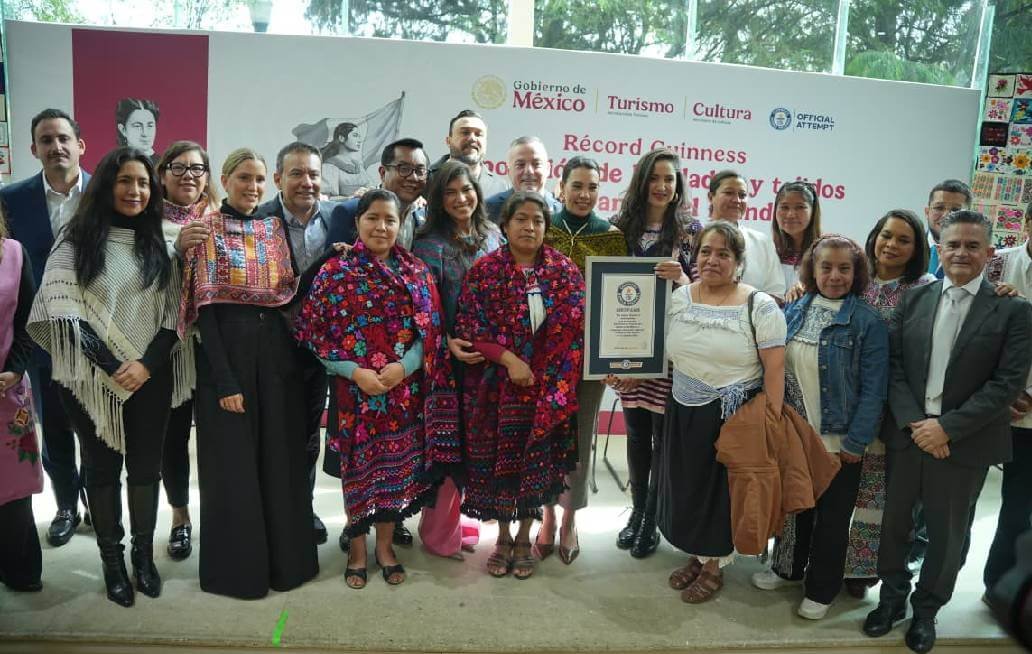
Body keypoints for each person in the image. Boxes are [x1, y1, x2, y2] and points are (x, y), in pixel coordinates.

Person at [26, 147, 191, 607]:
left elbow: (175, 314)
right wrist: (112, 364)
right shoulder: (75, 238)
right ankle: (111, 561)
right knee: (100, 469)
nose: (135, 190)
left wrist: (145, 364)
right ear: (104, 185)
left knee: (145, 468)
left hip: (150, 373)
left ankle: (142, 556)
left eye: (142, 182)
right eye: (124, 181)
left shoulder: (161, 239)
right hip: (89, 377)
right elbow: (61, 308)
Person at [864, 210, 1032, 654]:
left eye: (972, 246)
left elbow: (1006, 384)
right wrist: (915, 425)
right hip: (909, 435)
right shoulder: (915, 300)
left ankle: (926, 612)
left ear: (989, 253)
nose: (961, 253)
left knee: (946, 535)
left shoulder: (1013, 310)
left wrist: (947, 429)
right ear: (939, 248)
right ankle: (892, 601)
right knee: (893, 527)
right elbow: (896, 367)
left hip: (965, 444)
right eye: (952, 244)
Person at [295, 189, 459, 589]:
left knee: (395, 475)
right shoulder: (336, 271)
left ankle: (385, 547)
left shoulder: (416, 272)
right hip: (355, 395)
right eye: (373, 218)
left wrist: (402, 369)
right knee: (358, 474)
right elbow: (312, 332)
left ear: (400, 226)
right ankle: (357, 549)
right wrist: (354, 371)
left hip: (402, 394)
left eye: (390, 220)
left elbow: (432, 330)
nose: (381, 227)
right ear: (358, 223)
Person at [180, 148, 317, 599]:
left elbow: (289, 293)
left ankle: (286, 566)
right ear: (224, 179)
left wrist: (326, 263)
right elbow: (206, 314)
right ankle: (239, 574)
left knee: (279, 463)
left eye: (259, 179)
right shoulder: (206, 230)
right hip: (230, 362)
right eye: (243, 178)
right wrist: (224, 381)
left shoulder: (272, 228)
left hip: (276, 362)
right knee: (233, 469)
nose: (253, 187)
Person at [753, 235, 888, 620]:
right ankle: (787, 569)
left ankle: (822, 588)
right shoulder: (795, 310)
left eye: (844, 268)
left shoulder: (867, 322)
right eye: (825, 266)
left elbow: (874, 390)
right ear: (811, 269)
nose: (834, 275)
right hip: (796, 436)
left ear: (857, 272)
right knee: (795, 508)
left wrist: (857, 441)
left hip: (839, 441)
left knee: (831, 519)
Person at [456, 191, 585, 579]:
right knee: (500, 466)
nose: (530, 227)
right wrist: (510, 360)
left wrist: (540, 373)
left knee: (537, 468)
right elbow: (469, 326)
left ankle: (527, 538)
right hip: (496, 389)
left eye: (538, 221)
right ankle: (502, 539)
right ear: (505, 225)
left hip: (546, 390)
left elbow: (573, 329)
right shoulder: (485, 271)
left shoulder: (564, 272)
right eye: (521, 220)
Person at [660, 220, 786, 603]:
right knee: (689, 488)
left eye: (723, 254)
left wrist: (771, 422)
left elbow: (776, 369)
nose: (712, 260)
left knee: (721, 496)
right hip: (683, 410)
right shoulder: (681, 297)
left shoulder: (758, 305)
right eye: (706, 252)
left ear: (739, 261)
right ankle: (698, 557)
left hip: (733, 416)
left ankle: (714, 566)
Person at [0, 108, 91, 547]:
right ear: (33, 149)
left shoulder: (109, 192)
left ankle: (98, 499)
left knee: (100, 425)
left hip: (101, 336)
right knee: (54, 426)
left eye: (63, 138)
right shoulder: (11, 198)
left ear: (80, 145)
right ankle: (66, 505)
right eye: (46, 140)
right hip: (42, 334)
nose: (56, 147)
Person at [530, 155, 625, 565]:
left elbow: (623, 306)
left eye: (592, 188)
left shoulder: (612, 238)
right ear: (562, 187)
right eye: (577, 186)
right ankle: (547, 516)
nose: (584, 195)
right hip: (543, 356)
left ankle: (570, 520)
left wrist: (615, 358)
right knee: (546, 434)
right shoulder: (541, 229)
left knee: (581, 438)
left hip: (589, 359)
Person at [837, 209, 935, 598]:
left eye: (903, 239)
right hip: (844, 404)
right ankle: (823, 556)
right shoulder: (855, 280)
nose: (891, 245)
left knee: (875, 497)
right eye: (886, 235)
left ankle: (861, 570)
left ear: (916, 250)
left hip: (894, 410)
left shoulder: (926, 289)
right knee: (836, 488)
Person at [609, 148, 702, 559]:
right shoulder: (617, 229)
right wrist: (608, 361)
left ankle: (653, 519)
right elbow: (604, 296)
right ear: (642, 182)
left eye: (671, 179)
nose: (663, 186)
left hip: (669, 356)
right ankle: (638, 511)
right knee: (635, 436)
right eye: (656, 178)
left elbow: (705, 295)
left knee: (663, 441)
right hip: (629, 354)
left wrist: (681, 278)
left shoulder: (692, 232)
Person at [412, 160, 503, 559]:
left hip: (492, 360)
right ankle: (437, 533)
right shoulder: (428, 242)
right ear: (438, 199)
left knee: (477, 445)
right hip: (448, 360)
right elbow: (424, 303)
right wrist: (445, 340)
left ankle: (462, 520)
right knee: (447, 446)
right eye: (450, 193)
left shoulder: (494, 234)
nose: (460, 199)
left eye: (466, 190)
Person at [258, 141, 341, 546]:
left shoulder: (338, 218)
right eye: (296, 173)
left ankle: (302, 508)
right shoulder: (259, 221)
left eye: (313, 174)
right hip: (269, 351)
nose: (306, 182)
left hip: (318, 353)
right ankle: (271, 512)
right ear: (278, 179)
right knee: (272, 436)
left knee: (309, 435)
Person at [155, 141, 219, 562]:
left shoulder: (222, 221)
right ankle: (180, 516)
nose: (189, 175)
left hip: (216, 351)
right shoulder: (144, 222)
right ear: (162, 174)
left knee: (219, 439)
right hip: (169, 351)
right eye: (179, 167)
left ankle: (223, 516)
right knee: (172, 440)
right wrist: (175, 251)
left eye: (198, 168)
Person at [982, 200, 1032, 604]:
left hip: (1031, 415)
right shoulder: (996, 264)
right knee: (955, 505)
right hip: (984, 406)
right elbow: (971, 332)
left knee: (1018, 504)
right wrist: (1004, 391)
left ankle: (997, 585)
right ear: (1027, 223)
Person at [0, 206, 43, 593]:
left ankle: (19, 569)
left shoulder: (13, 252)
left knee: (13, 490)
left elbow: (28, 319)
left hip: (6, 391)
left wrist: (14, 368)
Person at [325, 138, 429, 253]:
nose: (413, 177)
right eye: (404, 169)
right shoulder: (350, 211)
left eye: (420, 171)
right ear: (383, 173)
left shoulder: (424, 215)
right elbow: (332, 265)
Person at [706, 170, 786, 297]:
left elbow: (776, 292)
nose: (737, 200)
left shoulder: (762, 242)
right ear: (711, 197)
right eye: (729, 193)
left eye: (742, 195)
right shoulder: (694, 237)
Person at [427, 109, 509, 199]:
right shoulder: (426, 180)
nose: (472, 138)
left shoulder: (502, 188)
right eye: (465, 132)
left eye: (478, 134)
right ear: (448, 141)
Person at [484, 136, 562, 223]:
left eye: (536, 164)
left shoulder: (560, 211)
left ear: (548, 169)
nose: (529, 171)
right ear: (508, 171)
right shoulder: (489, 209)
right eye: (520, 165)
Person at [772, 181, 821, 293]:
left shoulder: (825, 251)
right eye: (784, 207)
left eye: (800, 207)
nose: (791, 214)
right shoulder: (769, 250)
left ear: (813, 212)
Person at [924, 179, 971, 280]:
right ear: (927, 212)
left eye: (955, 210)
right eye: (939, 208)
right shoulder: (907, 249)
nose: (946, 216)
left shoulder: (977, 256)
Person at [320, 122, 375, 199]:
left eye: (359, 136)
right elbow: (326, 198)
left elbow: (371, 186)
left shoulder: (358, 166)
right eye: (355, 136)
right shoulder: (329, 167)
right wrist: (352, 198)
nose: (359, 140)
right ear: (341, 138)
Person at [115, 99, 159, 164]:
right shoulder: (113, 163)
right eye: (137, 126)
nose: (145, 133)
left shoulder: (163, 165)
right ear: (123, 129)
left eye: (150, 126)